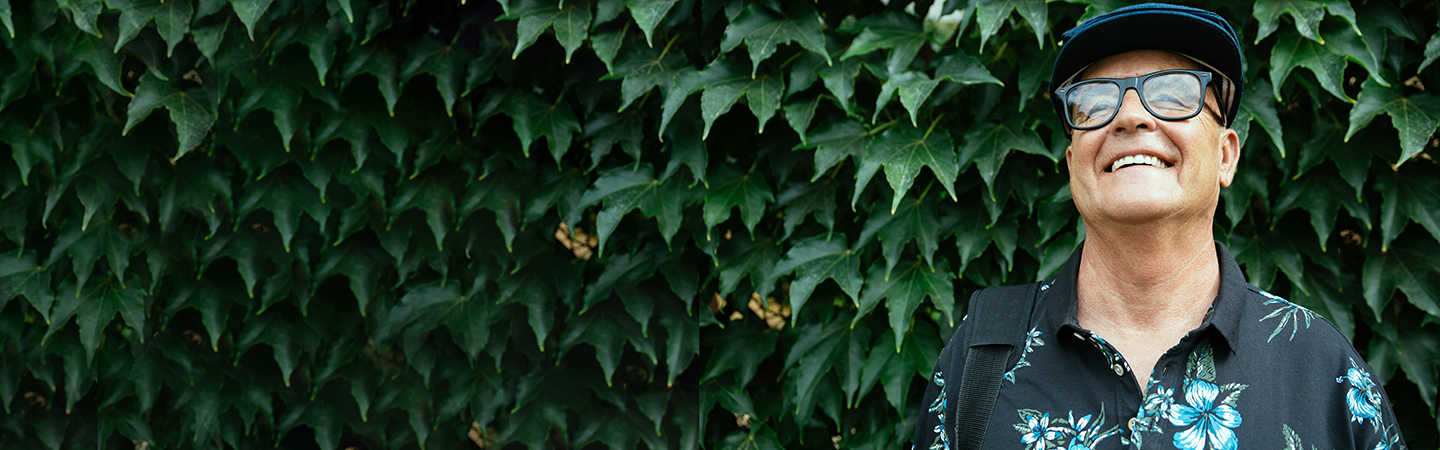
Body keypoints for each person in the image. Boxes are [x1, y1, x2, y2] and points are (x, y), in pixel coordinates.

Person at [912, 4, 1405, 449]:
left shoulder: (1320, 367)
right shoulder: (983, 352)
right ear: (1072, 164)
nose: (1130, 115)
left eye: (1172, 93)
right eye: (1095, 101)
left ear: (1226, 156)